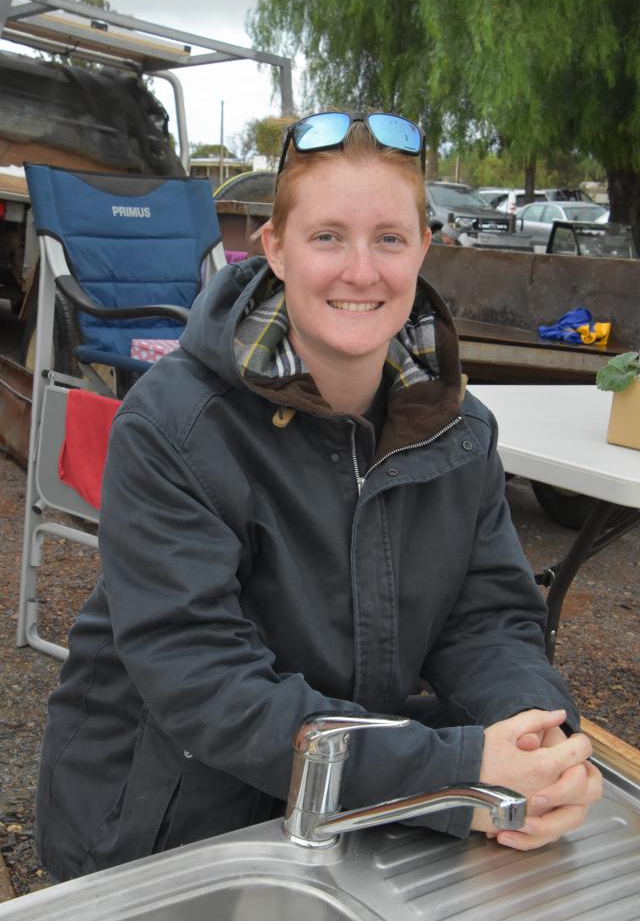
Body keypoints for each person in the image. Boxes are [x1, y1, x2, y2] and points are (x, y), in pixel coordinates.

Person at [36, 111, 601, 882]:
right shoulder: (172, 428)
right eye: (327, 236)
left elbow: (488, 617)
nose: (361, 271)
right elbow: (209, 690)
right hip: (169, 831)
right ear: (274, 247)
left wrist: (533, 740)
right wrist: (459, 773)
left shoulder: (459, 430)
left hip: (359, 814)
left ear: (424, 249)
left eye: (390, 239)